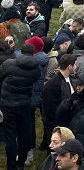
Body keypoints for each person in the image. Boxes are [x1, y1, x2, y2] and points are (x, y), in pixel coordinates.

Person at [0, 41, 41, 170]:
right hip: (24, 104)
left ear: (21, 52)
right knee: (24, 133)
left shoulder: (9, 64)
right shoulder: (36, 68)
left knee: (10, 135)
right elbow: (35, 80)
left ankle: (11, 165)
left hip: (8, 104)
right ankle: (21, 162)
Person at [42, 54, 77, 155]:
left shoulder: (70, 79)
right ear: (69, 66)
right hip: (57, 125)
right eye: (74, 65)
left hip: (67, 122)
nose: (76, 67)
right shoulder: (53, 84)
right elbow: (49, 108)